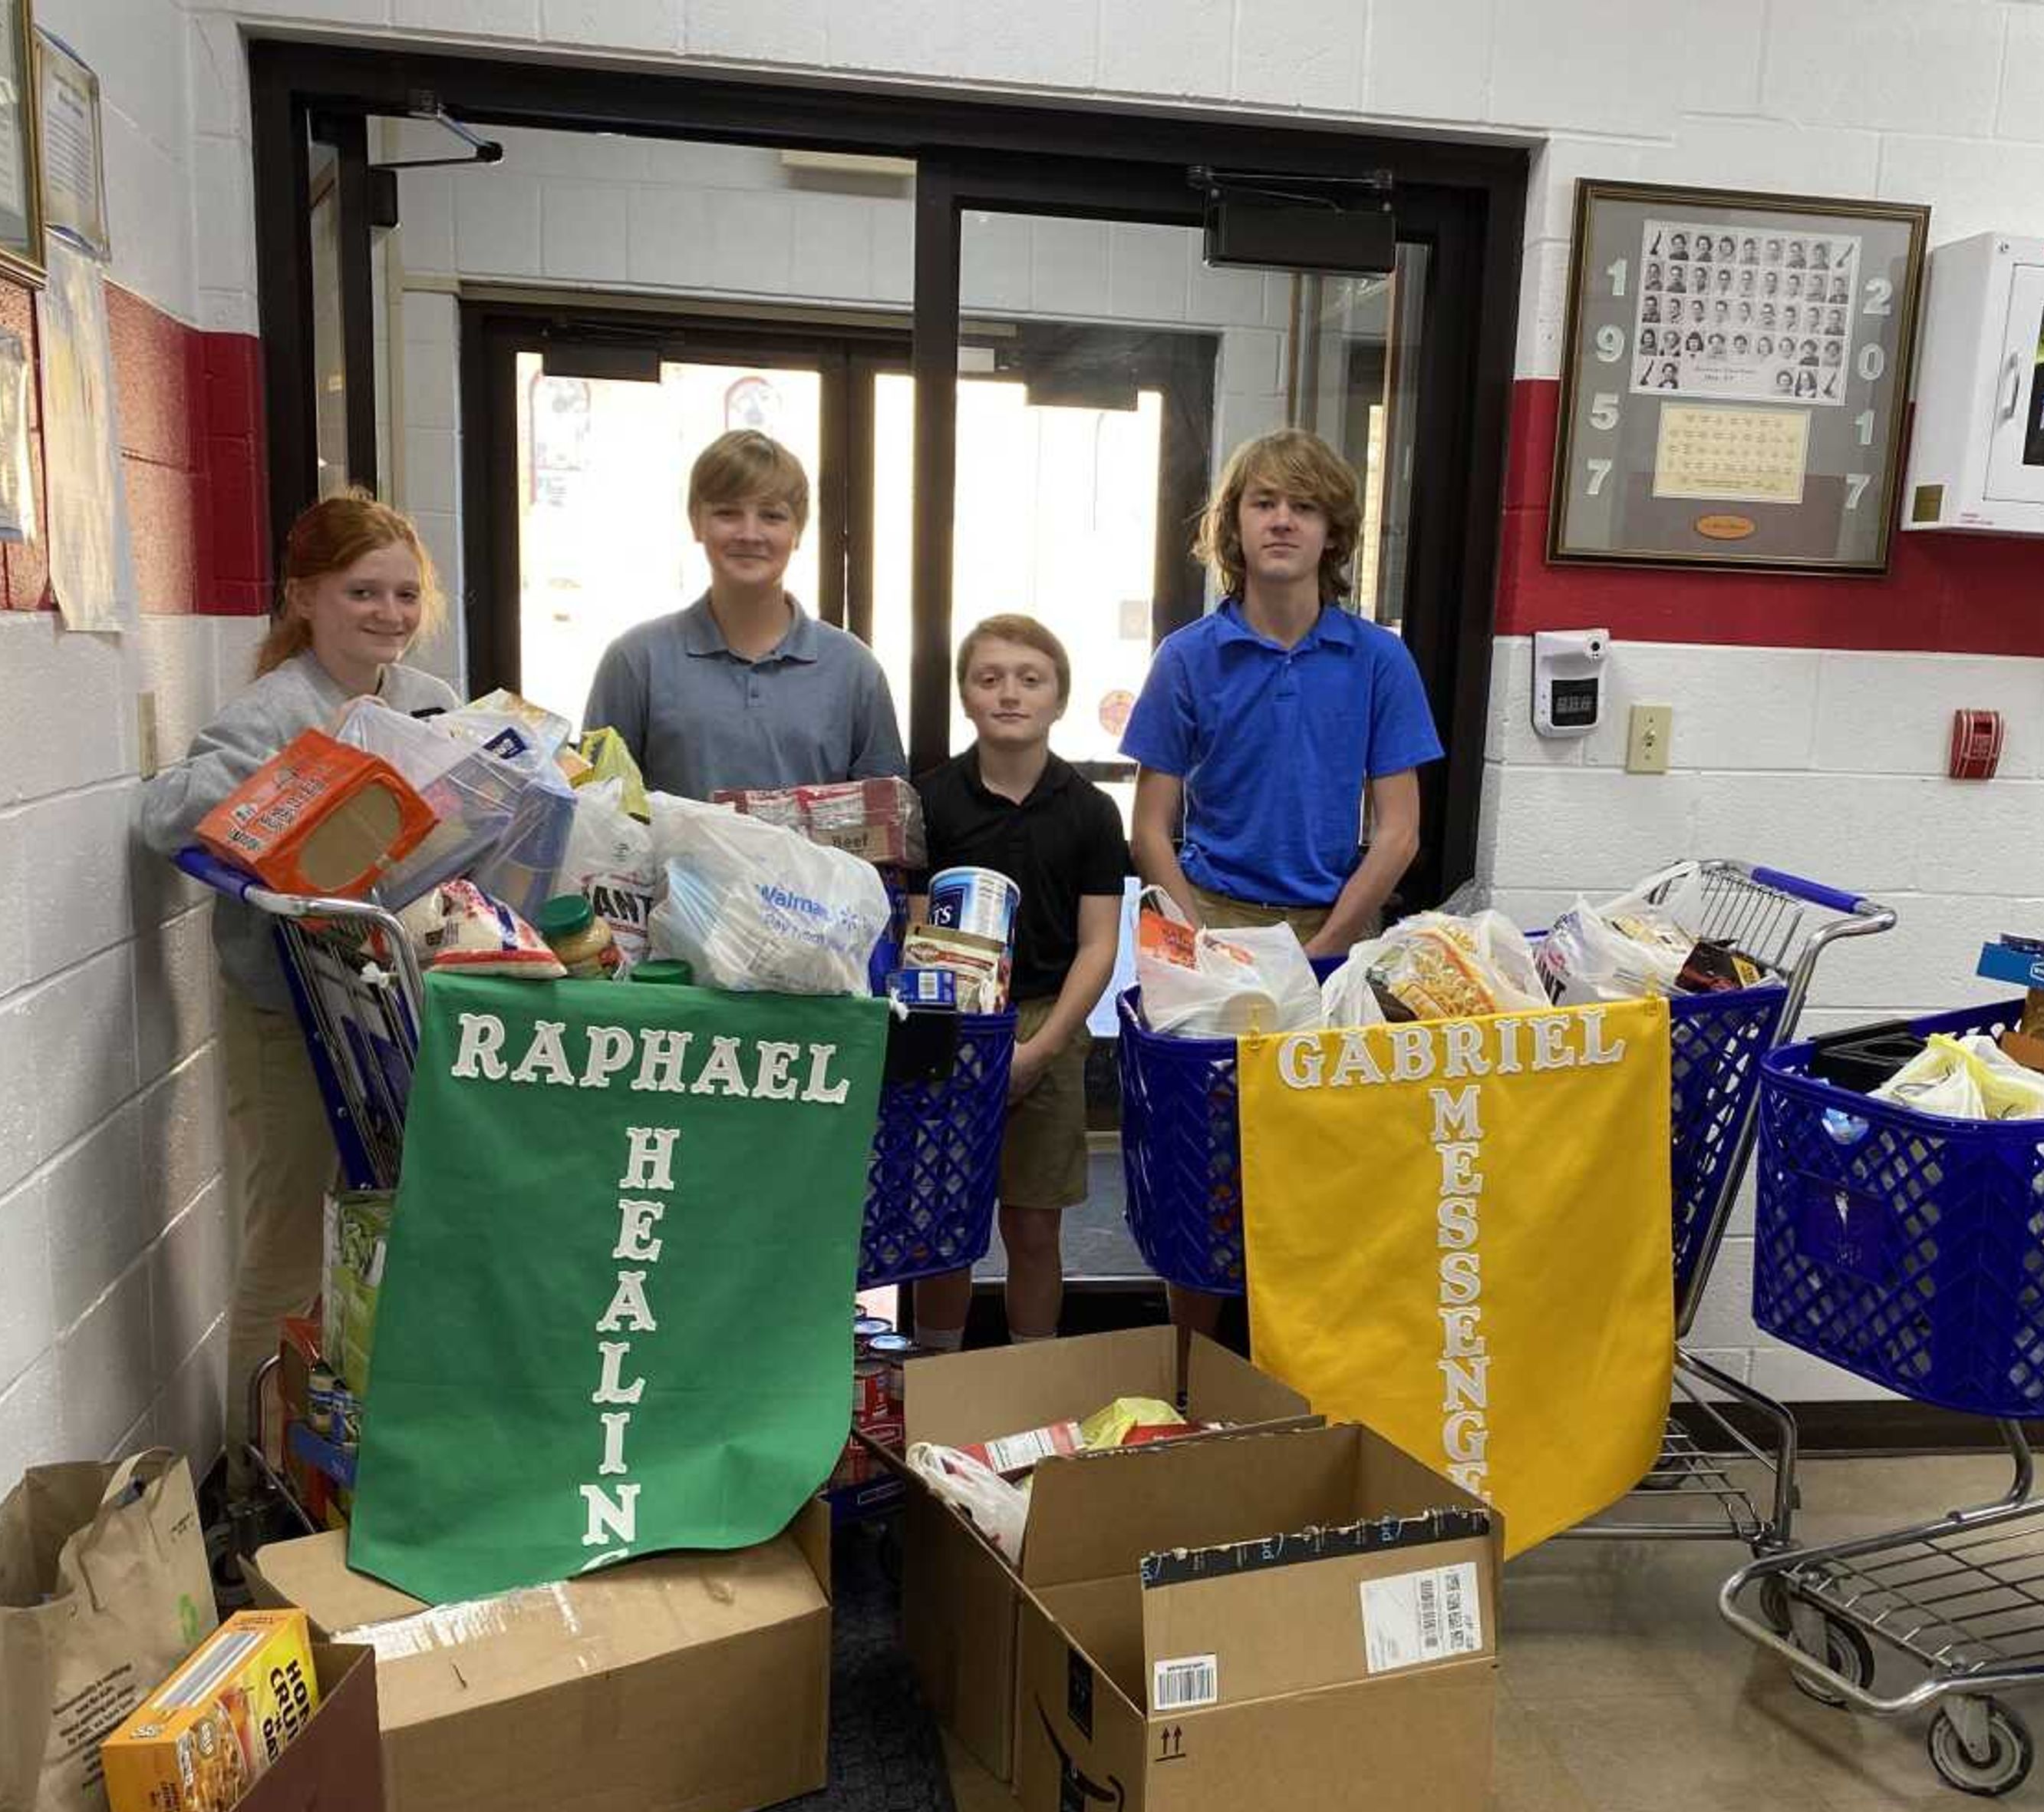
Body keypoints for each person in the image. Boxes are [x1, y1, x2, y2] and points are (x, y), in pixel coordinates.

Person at [134, 492, 459, 1469]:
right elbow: (166, 812)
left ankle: (359, 1455)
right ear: (304, 598)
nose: (389, 614)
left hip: (394, 1007)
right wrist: (294, 790)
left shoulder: (428, 700)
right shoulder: (277, 711)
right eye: (363, 591)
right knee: (286, 1252)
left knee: (387, 1242)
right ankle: (252, 1475)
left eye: (406, 593)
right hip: (294, 1018)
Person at [1123, 427, 1442, 1336]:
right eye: (1263, 503)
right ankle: (1192, 1366)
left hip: (1333, 932)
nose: (1282, 521)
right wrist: (1199, 943)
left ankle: (1297, 1369)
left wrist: (1329, 944)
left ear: (1333, 533)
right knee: (1204, 1163)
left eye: (1303, 507)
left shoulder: (1379, 661)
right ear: (1233, 526)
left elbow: (1400, 831)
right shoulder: (1190, 657)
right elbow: (1150, 827)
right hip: (1213, 929)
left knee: (1323, 1164)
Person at [908, 616, 1130, 1352]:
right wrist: (956, 1037)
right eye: (990, 678)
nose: (1010, 693)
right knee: (945, 1225)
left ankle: (1030, 1380)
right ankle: (938, 1376)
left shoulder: (1092, 812)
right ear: (966, 697)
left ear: (1059, 699)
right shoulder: (928, 803)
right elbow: (915, 937)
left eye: (1030, 679)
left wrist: (1042, 1049)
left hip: (1049, 1025)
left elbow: (1099, 946)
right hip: (950, 1029)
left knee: (1034, 1225)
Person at [581, 429, 902, 801]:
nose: (750, 534)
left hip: (815, 864)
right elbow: (598, 815)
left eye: (772, 516)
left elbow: (885, 825)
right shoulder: (636, 661)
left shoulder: (853, 669)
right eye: (728, 513)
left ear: (797, 531)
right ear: (696, 523)